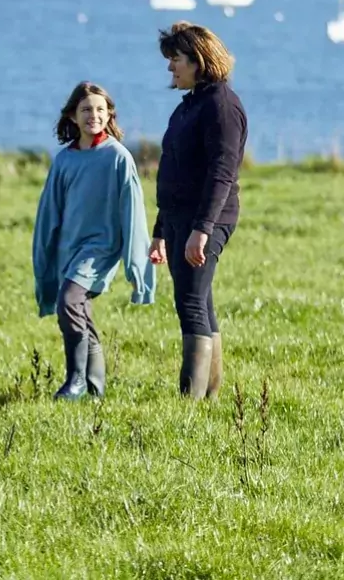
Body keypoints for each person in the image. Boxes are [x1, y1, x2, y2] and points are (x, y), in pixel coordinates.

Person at [32, 81, 155, 400]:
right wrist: (44, 258)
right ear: (73, 115)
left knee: (69, 302)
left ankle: (74, 381)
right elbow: (49, 213)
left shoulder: (118, 157)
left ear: (109, 114)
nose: (94, 115)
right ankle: (95, 388)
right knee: (80, 310)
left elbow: (133, 214)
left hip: (101, 249)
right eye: (86, 110)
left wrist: (137, 269)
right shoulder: (64, 161)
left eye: (100, 109)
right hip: (68, 250)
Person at [150, 22, 247, 400]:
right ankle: (207, 398)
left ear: (198, 61)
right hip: (178, 218)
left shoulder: (223, 106)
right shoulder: (188, 107)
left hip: (206, 220)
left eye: (175, 59)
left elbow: (223, 173)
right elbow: (171, 168)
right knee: (199, 300)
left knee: (190, 302)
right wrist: (160, 230)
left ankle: (190, 403)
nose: (170, 67)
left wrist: (203, 228)